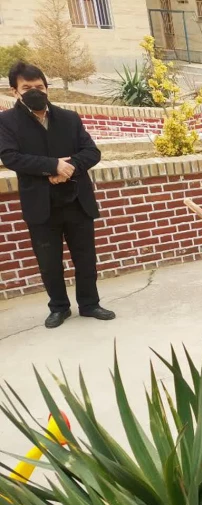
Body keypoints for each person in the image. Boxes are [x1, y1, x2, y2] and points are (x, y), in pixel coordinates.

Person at [0, 61, 114, 328]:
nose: (34, 91)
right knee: (49, 262)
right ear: (14, 91)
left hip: (76, 199)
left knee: (85, 257)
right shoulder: (6, 122)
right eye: (26, 87)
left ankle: (90, 304)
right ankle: (59, 308)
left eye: (39, 86)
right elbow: (9, 156)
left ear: (47, 88)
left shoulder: (69, 118)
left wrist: (68, 167)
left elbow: (92, 152)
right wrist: (51, 166)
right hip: (41, 203)